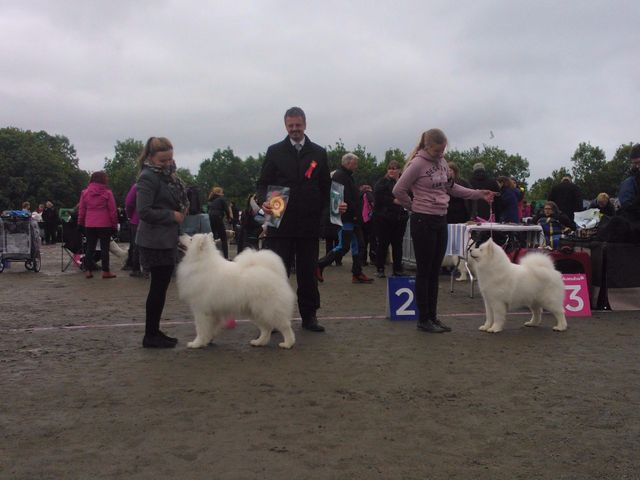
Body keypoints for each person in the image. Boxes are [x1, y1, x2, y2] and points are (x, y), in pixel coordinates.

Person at [393, 129, 496, 333]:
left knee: (435, 270)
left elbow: (452, 188)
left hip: (441, 218)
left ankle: (433, 316)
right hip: (423, 220)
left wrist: (478, 194)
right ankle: (424, 319)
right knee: (425, 271)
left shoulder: (441, 161)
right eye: (438, 150)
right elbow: (398, 190)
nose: (441, 153)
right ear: (427, 146)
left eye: (443, 150)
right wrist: (413, 206)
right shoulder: (417, 164)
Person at [257, 106, 334, 332]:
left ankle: (309, 316)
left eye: (298, 125)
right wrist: (264, 200)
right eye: (290, 126)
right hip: (280, 222)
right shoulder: (274, 151)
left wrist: (334, 207)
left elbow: (326, 188)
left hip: (308, 224)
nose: (294, 130)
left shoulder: (319, 153)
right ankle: (272, 319)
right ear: (285, 126)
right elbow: (262, 183)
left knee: (308, 273)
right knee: (277, 274)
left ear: (305, 124)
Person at [136, 136, 189, 348]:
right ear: (150, 157)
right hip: (154, 241)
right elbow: (144, 211)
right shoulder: (147, 177)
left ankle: (154, 331)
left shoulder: (168, 177)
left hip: (166, 239)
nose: (168, 164)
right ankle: (150, 335)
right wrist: (172, 215)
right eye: (163, 160)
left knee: (161, 287)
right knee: (157, 288)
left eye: (170, 159)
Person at [316, 153, 374, 284]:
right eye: (355, 163)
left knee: (359, 245)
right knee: (344, 246)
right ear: (348, 163)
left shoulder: (347, 176)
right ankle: (319, 265)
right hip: (346, 218)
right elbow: (339, 198)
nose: (356, 166)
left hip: (353, 218)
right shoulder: (339, 176)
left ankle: (357, 273)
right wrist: (350, 213)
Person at [77, 171, 118, 279]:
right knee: (105, 248)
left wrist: (80, 223)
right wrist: (114, 225)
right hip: (105, 223)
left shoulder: (84, 193)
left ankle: (88, 270)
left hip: (89, 223)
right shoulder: (108, 193)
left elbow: (82, 210)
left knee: (90, 247)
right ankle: (105, 271)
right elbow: (112, 211)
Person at [373, 160, 409, 278]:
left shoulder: (405, 182)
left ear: (400, 170)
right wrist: (393, 201)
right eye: (390, 168)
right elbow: (378, 197)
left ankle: (397, 268)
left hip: (400, 218)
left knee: (397, 244)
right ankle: (380, 268)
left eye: (394, 168)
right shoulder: (382, 182)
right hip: (384, 218)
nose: (392, 170)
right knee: (383, 244)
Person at [124, 183, 143, 277]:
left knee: (136, 245)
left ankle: (136, 268)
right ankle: (149, 269)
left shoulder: (137, 186)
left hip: (137, 220)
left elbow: (129, 203)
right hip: (155, 221)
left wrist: (130, 216)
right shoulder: (161, 184)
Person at [207, 186, 231, 259]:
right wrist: (229, 218)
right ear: (219, 193)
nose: (223, 193)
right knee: (223, 238)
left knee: (213, 237)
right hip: (218, 217)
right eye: (222, 192)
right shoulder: (221, 199)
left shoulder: (211, 201)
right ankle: (226, 257)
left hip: (210, 217)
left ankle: (212, 256)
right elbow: (227, 210)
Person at [618, 144, 640, 211]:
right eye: (635, 163)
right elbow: (626, 205)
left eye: (639, 162)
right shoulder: (630, 181)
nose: (637, 166)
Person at [359, 184, 377, 267]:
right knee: (372, 240)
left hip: (361, 220)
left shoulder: (359, 195)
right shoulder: (369, 194)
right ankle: (373, 259)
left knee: (363, 241)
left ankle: (362, 260)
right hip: (369, 219)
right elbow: (373, 204)